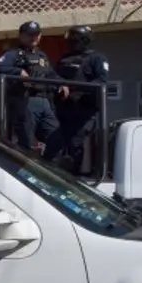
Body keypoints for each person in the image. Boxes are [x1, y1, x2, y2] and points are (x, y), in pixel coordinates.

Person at [0, 21, 66, 156]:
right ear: (21, 36)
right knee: (26, 143)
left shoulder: (42, 56)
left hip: (45, 101)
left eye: (36, 35)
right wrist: (18, 72)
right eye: (30, 35)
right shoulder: (14, 53)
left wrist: (61, 83)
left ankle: (47, 168)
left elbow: (51, 74)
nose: (34, 38)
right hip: (26, 100)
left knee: (56, 140)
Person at [54, 25, 109, 175]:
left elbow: (101, 82)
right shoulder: (64, 59)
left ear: (84, 40)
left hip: (85, 111)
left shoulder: (97, 58)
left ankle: (73, 178)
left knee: (75, 144)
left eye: (74, 40)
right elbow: (55, 77)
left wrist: (73, 88)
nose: (71, 43)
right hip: (64, 110)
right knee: (57, 145)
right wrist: (60, 85)